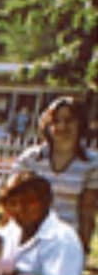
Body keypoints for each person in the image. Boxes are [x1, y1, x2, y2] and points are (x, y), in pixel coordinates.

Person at [12, 96, 98, 256]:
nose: (62, 126)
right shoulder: (31, 158)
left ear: (80, 124)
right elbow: (13, 203)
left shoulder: (92, 163)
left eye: (69, 120)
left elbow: (87, 212)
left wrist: (82, 248)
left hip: (65, 242)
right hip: (28, 238)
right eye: (56, 121)